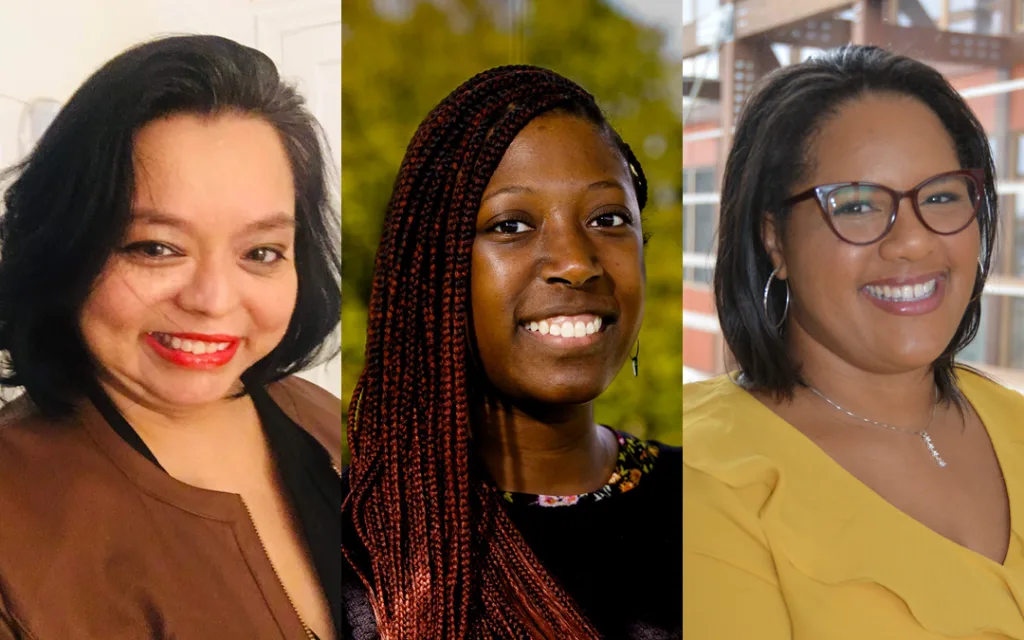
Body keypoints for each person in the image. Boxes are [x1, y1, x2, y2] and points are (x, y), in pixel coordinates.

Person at [0, 36, 341, 639]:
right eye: (156, 248)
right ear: (67, 246)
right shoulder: (16, 525)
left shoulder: (325, 420)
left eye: (261, 252)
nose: (213, 300)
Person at [683, 44, 1024, 638]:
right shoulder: (704, 474)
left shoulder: (1014, 421)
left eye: (942, 196)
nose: (913, 242)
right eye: (858, 205)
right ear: (774, 239)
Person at [341, 66, 682, 639]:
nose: (576, 262)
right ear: (435, 272)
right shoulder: (346, 553)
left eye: (608, 219)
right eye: (511, 225)